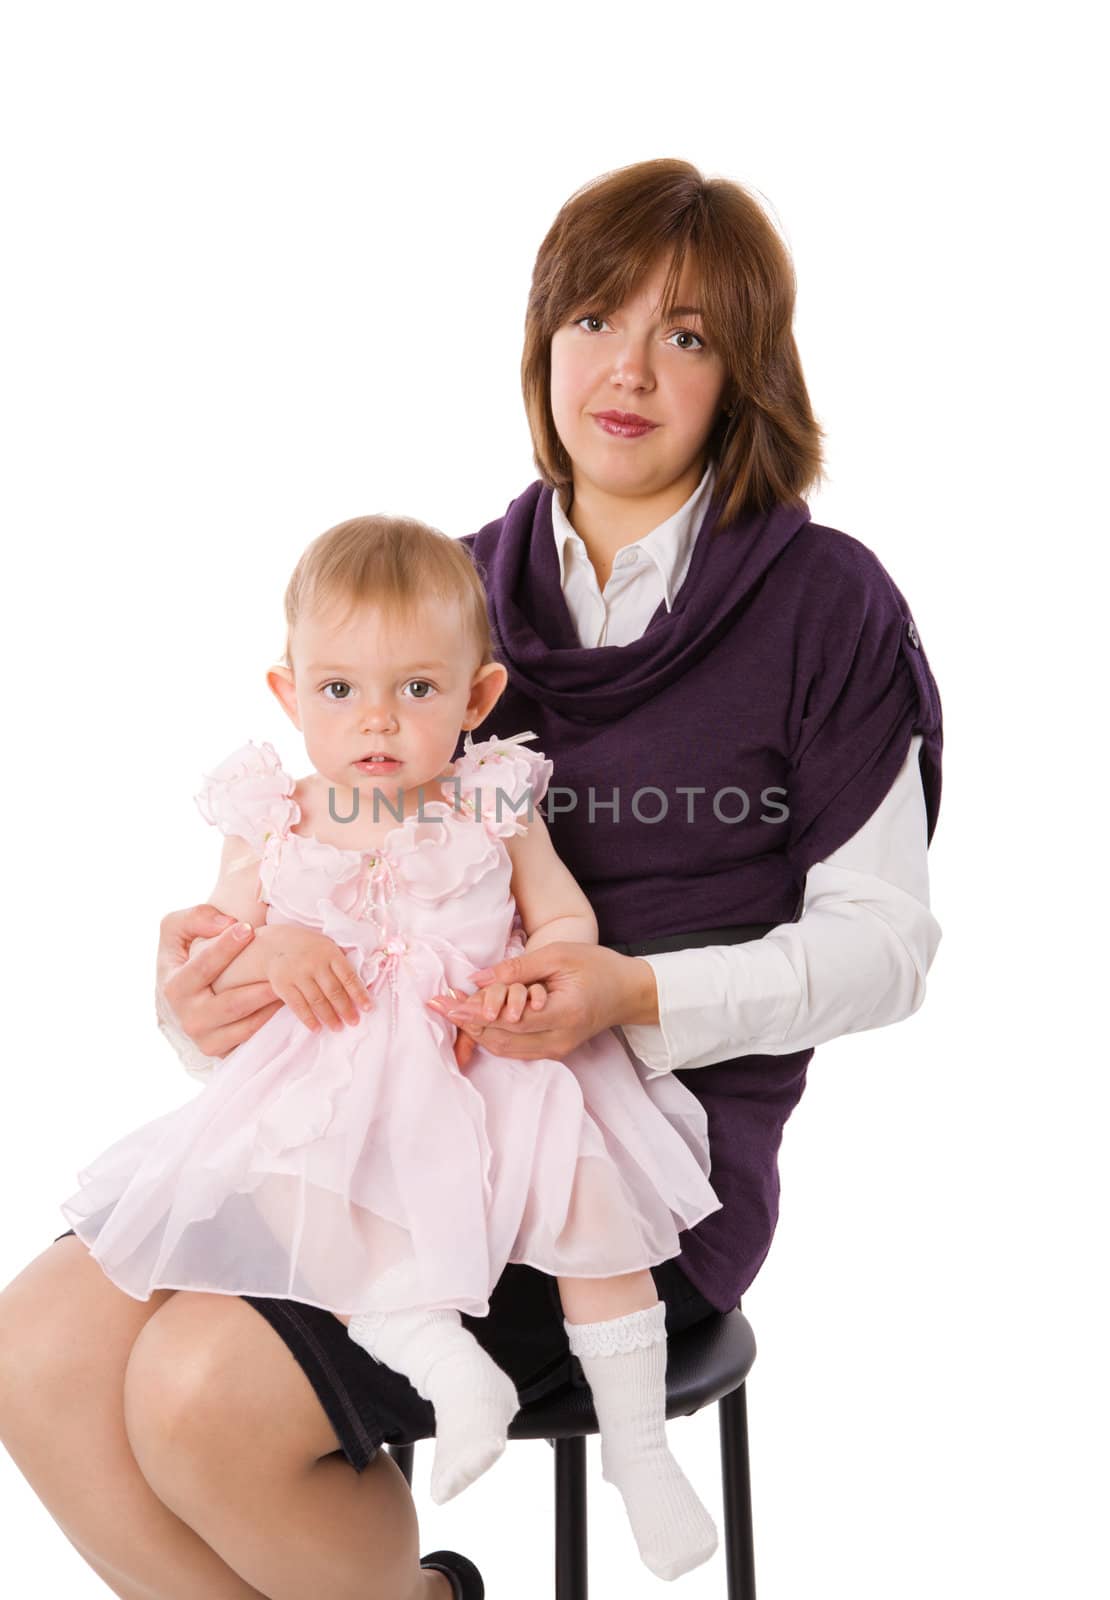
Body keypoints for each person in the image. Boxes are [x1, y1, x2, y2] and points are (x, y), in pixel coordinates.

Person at [0, 158, 943, 1600]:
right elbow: (315, 887)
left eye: (684, 336)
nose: (623, 370)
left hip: (627, 1168)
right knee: (40, 1356)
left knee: (200, 1397)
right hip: (372, 1114)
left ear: (745, 370)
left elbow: (884, 948)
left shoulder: (826, 609)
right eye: (591, 322)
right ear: (540, 343)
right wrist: (209, 994)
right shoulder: (438, 590)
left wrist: (626, 991)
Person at [57, 510, 724, 1582]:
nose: (377, 720)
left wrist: (535, 972)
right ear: (289, 694)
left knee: (594, 1202)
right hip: (339, 1080)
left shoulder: (493, 796)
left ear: (475, 698)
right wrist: (275, 946)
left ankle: (640, 1452)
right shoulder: (272, 814)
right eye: (339, 691)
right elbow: (216, 958)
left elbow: (561, 917)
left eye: (417, 690)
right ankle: (443, 1365)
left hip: (491, 1061)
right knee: (309, 1208)